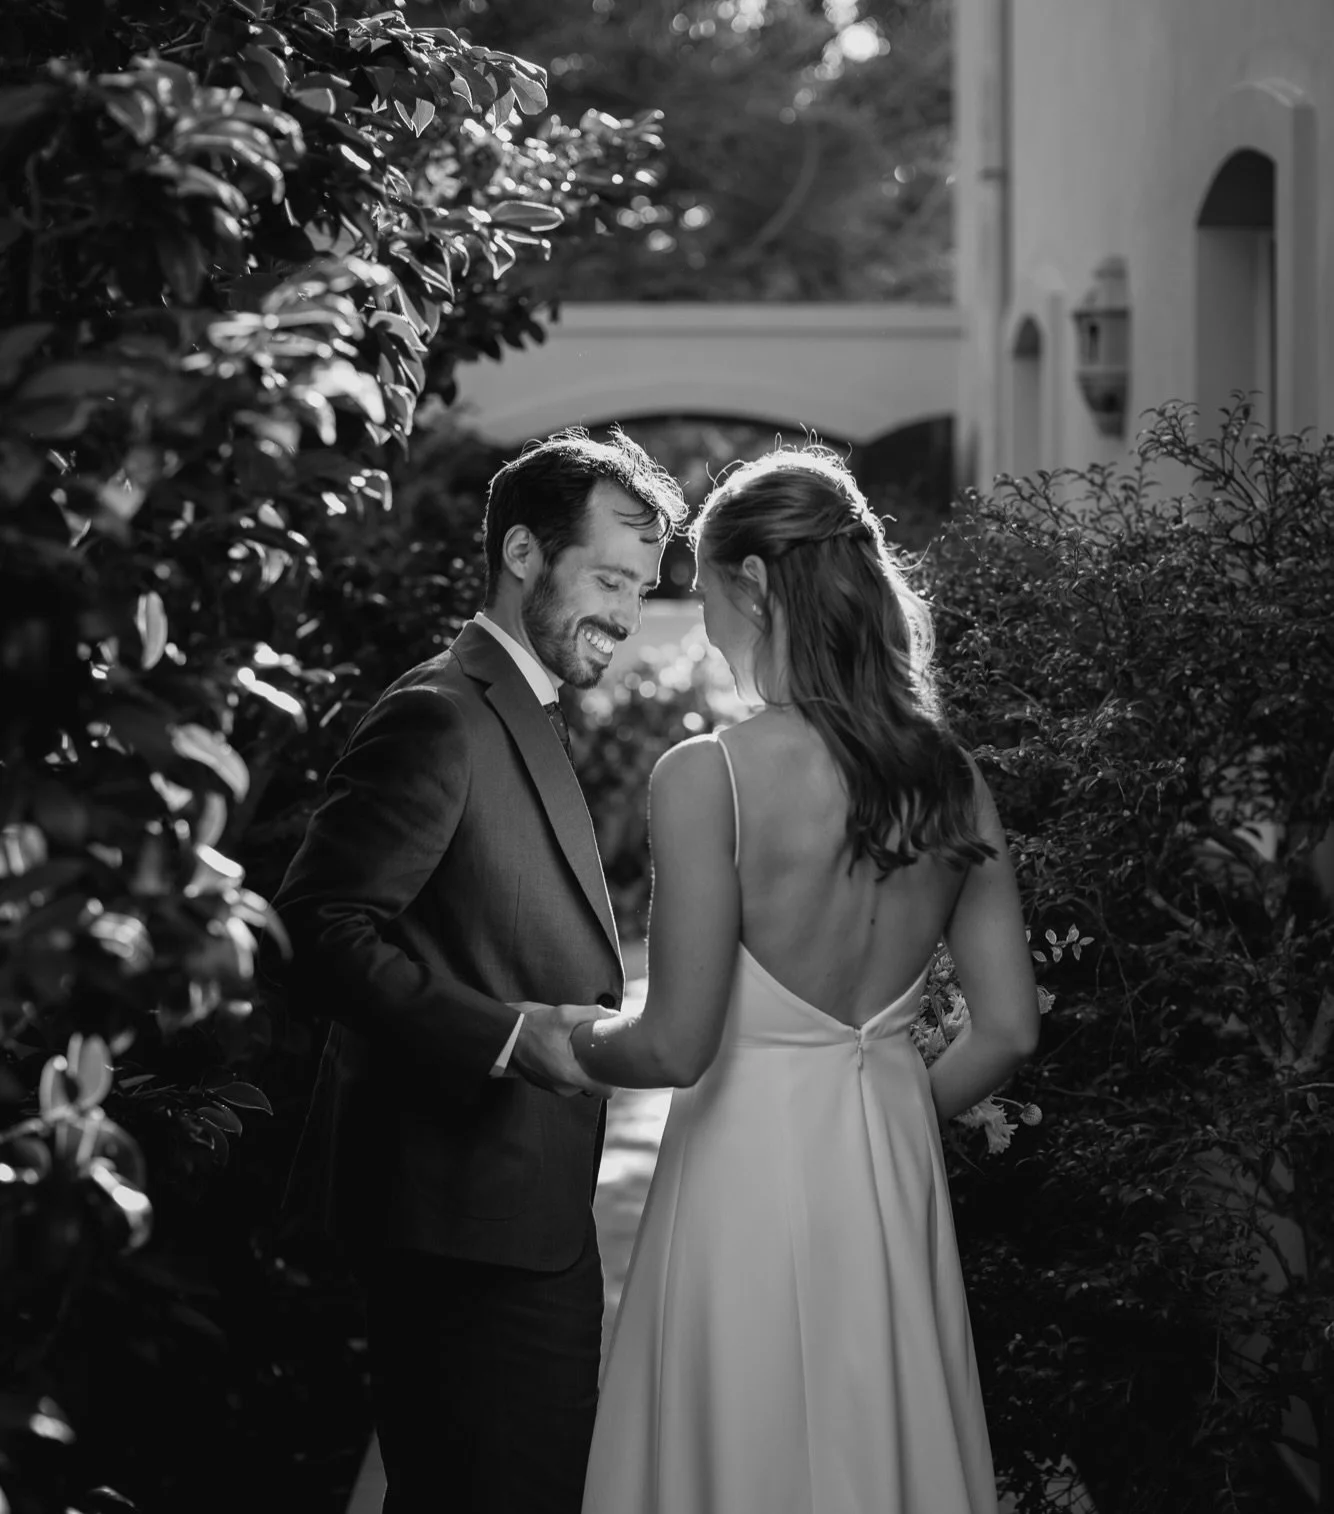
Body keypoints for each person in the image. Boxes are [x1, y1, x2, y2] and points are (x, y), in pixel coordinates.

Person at [561, 445, 1040, 1514]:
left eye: (699, 583)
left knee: (740, 1448)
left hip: (744, 1165)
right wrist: (882, 1104)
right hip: (885, 1160)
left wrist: (558, 1040)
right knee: (881, 1444)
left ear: (755, 583)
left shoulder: (709, 776)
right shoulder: (948, 777)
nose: (702, 617)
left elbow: (673, 1043)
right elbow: (1007, 1027)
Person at [275, 427, 686, 1514]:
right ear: (518, 553)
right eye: (607, 577)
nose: (624, 612)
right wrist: (507, 1036)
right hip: (451, 1215)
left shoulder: (527, 706)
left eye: (638, 588)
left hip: (517, 1208)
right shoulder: (438, 712)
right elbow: (318, 927)